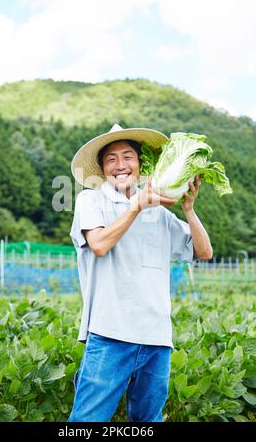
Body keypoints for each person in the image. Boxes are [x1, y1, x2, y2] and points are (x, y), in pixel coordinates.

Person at [68, 124, 212, 422]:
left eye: (127, 156)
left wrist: (189, 209)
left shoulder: (158, 213)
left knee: (148, 421)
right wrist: (135, 207)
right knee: (87, 422)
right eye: (111, 159)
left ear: (140, 163)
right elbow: (99, 244)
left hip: (156, 338)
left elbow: (204, 252)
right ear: (102, 169)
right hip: (110, 332)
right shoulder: (90, 200)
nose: (120, 165)